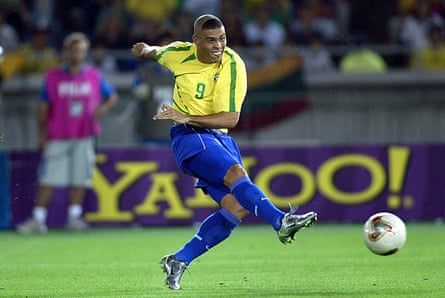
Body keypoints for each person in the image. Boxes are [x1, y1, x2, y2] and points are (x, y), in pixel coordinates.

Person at [131, 14, 317, 290]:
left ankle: (179, 260)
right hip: (189, 138)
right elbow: (158, 53)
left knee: (236, 208)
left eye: (222, 39)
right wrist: (144, 50)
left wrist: (187, 115)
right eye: (210, 40)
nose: (218, 45)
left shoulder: (233, 64)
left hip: (218, 137)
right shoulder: (180, 53)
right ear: (196, 41)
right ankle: (281, 220)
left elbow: (230, 119)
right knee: (235, 174)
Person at [16, 32, 118, 234]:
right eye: (73, 50)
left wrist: (102, 110)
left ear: (85, 52)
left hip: (84, 134)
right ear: (66, 51)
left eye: (80, 50)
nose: (76, 54)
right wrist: (42, 133)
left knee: (80, 177)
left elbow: (111, 96)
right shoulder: (53, 76)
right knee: (49, 178)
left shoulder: (94, 76)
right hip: (58, 134)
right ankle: (38, 219)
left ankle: (73, 218)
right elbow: (43, 107)